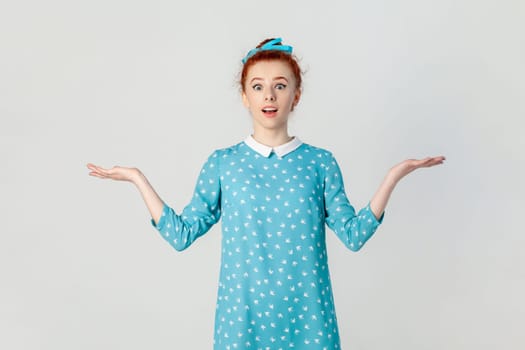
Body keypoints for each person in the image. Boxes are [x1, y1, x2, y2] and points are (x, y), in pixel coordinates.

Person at [87, 38, 445, 349]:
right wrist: (137, 178)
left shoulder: (320, 163)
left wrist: (394, 176)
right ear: (244, 96)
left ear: (296, 94)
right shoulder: (224, 164)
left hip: (310, 325)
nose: (269, 95)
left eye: (280, 85)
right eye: (257, 86)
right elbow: (180, 235)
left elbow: (353, 235)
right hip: (241, 326)